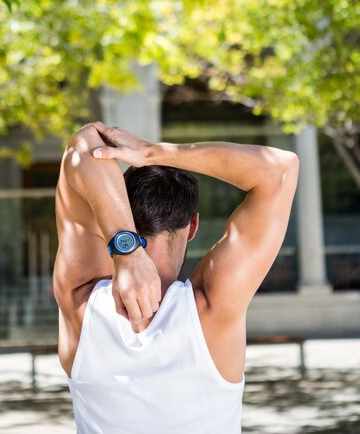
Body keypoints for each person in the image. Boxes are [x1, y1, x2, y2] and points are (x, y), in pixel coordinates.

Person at [54, 121, 299, 434]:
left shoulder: (81, 301)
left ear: (119, 211)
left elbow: (84, 142)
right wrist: (155, 152)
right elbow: (281, 168)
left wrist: (126, 248)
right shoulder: (211, 307)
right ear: (193, 225)